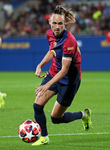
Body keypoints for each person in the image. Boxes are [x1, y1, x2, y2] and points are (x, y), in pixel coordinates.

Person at [32, 5, 92, 146]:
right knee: (37, 106)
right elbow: (52, 51)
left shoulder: (69, 41)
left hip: (68, 82)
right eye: (54, 23)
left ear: (65, 23)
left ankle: (83, 115)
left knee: (56, 118)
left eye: (60, 23)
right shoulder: (49, 34)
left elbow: (64, 70)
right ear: (50, 23)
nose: (57, 26)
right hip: (53, 74)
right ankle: (44, 137)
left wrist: (46, 85)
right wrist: (40, 65)